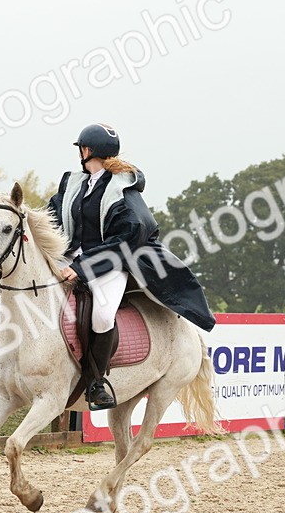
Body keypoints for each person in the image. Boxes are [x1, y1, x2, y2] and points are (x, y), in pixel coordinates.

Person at [49, 123, 216, 410]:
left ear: (87, 151)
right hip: (69, 258)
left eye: (81, 149)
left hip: (111, 264)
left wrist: (84, 267)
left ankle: (96, 382)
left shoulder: (123, 190)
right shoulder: (74, 184)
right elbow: (49, 216)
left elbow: (128, 238)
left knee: (103, 316)